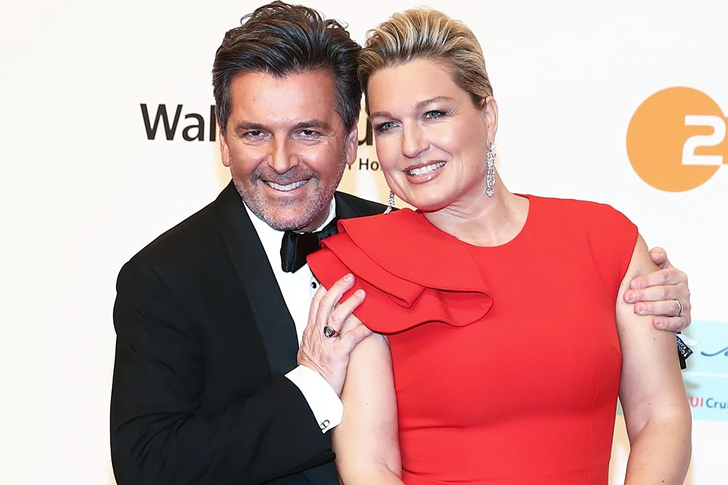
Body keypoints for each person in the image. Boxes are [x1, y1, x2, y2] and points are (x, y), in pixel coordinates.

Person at [110, 2, 691, 485]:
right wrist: (313, 386)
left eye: (308, 132)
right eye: (255, 133)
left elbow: (600, 378)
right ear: (222, 139)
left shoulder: (383, 237)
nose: (281, 161)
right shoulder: (167, 278)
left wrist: (648, 319)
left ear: (349, 140)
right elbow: (149, 464)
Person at [307, 7, 692, 485]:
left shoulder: (606, 239)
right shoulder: (364, 266)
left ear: (487, 116)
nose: (410, 145)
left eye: (434, 114)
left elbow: (661, 419)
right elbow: (370, 466)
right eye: (387, 125)